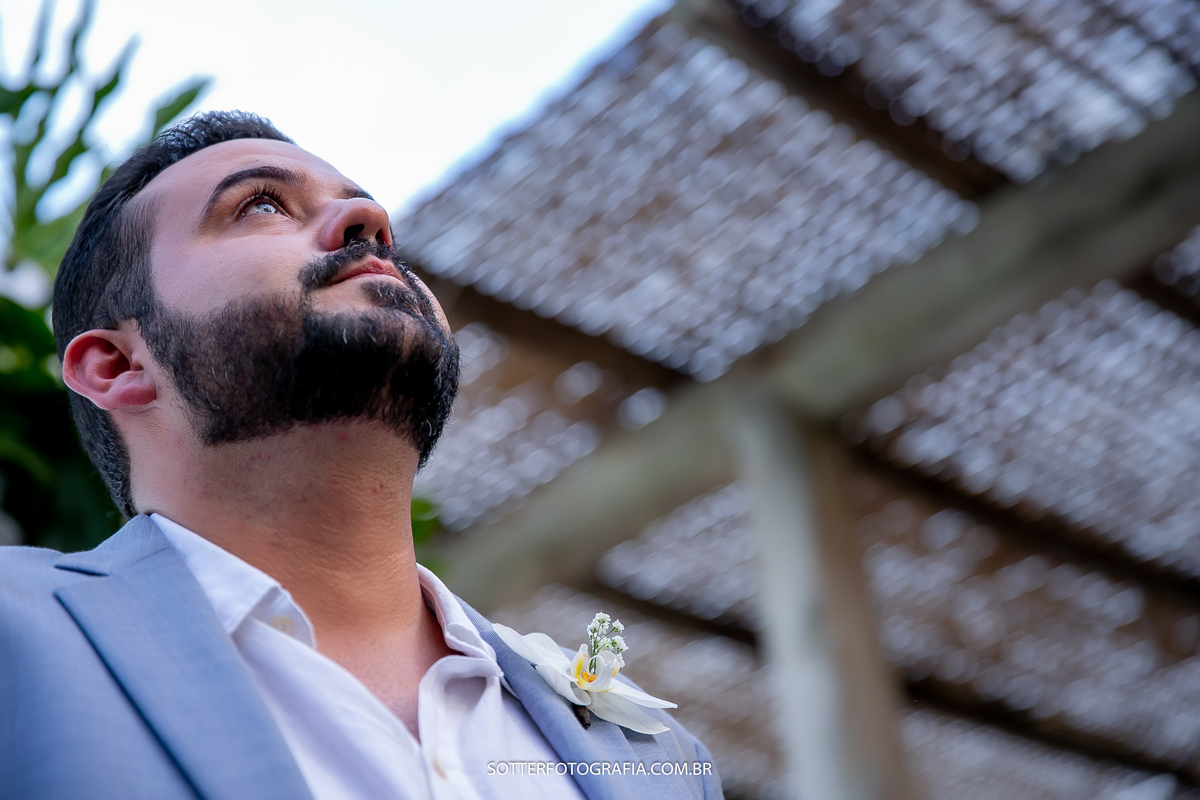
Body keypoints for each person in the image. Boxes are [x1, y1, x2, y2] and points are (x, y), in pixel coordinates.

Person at [0, 111, 720, 800]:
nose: (370, 223)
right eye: (260, 205)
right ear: (118, 365)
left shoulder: (660, 756)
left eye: (373, 219)